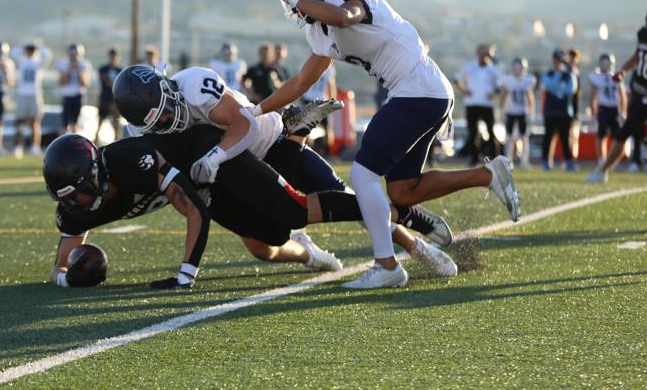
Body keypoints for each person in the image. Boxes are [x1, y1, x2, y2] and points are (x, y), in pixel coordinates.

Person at [257, 0, 519, 289]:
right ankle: (488, 174)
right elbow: (302, 81)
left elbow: (344, 16)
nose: (290, 3)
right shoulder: (318, 28)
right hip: (420, 91)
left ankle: (386, 265)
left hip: (417, 87)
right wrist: (256, 110)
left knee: (363, 174)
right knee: (403, 191)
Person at [112, 64, 455, 267]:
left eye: (166, 111)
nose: (168, 122)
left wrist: (214, 157)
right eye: (157, 123)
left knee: (346, 201)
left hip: (271, 144)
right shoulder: (140, 133)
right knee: (262, 247)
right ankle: (309, 255)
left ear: (168, 88)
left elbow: (244, 124)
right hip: (236, 173)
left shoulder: (194, 85)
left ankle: (417, 245)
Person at [45, 126, 457, 288]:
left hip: (213, 158)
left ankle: (408, 217)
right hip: (204, 189)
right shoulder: (76, 208)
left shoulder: (133, 160)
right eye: (70, 197)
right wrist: (69, 278)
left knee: (294, 210)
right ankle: (308, 253)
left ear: (97, 173)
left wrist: (185, 274)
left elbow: (194, 211)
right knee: (266, 242)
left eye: (80, 192)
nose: (79, 202)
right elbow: (59, 268)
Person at [587, 12, 647, 182]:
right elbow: (638, 56)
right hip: (638, 90)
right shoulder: (643, 34)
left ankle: (602, 171)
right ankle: (608, 168)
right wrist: (623, 70)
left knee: (624, 132)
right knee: (631, 131)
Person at [455, 44, 501, 166]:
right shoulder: (470, 67)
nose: (484, 56)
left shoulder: (493, 69)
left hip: (487, 105)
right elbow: (457, 79)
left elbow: (500, 86)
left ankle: (495, 158)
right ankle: (474, 158)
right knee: (472, 133)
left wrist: (493, 93)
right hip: (472, 104)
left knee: (491, 131)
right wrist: (464, 90)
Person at [11, 41, 52, 157]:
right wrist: (24, 46)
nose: (30, 51)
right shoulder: (21, 61)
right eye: (29, 49)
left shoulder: (38, 62)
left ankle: (35, 147)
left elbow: (47, 54)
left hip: (35, 94)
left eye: (32, 49)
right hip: (22, 93)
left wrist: (38, 46)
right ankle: (18, 146)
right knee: (20, 122)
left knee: (35, 122)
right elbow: (13, 53)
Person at [541, 49, 577, 172]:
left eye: (561, 61)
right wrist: (558, 83)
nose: (558, 63)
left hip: (564, 111)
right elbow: (549, 86)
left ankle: (569, 162)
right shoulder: (549, 74)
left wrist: (558, 88)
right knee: (548, 137)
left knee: (565, 138)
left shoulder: (569, 75)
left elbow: (571, 90)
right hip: (550, 111)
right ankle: (545, 162)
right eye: (557, 60)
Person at [588, 53, 625, 165]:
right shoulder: (596, 76)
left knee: (618, 136)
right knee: (601, 134)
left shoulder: (617, 76)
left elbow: (622, 94)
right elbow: (593, 95)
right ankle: (601, 159)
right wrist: (593, 109)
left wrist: (623, 110)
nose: (606, 65)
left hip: (615, 108)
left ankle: (613, 159)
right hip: (603, 107)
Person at [499, 57, 536, 169]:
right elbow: (504, 95)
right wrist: (503, 111)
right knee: (509, 137)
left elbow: (530, 97)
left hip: (523, 112)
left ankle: (524, 161)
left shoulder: (528, 80)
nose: (518, 70)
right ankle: (508, 161)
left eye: (520, 68)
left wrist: (531, 111)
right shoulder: (507, 80)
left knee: (524, 137)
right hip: (510, 111)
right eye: (516, 68)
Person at [302, 58, 338, 157]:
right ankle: (328, 153)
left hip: (308, 98)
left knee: (306, 128)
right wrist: (332, 101)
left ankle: (307, 151)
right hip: (322, 100)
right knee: (327, 128)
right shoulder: (329, 68)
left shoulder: (308, 64)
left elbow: (302, 82)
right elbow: (331, 85)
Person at [57, 43, 92, 135]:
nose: (73, 57)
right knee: (64, 124)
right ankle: (64, 141)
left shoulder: (84, 65)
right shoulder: (63, 64)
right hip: (67, 96)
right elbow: (61, 83)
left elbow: (85, 83)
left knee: (76, 124)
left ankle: (75, 140)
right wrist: (68, 70)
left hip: (78, 95)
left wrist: (78, 70)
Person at [96, 48, 123, 142]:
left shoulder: (120, 70)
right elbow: (108, 83)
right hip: (105, 99)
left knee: (116, 122)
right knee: (100, 121)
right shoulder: (103, 69)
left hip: (115, 100)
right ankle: (96, 141)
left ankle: (117, 141)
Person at [567, 48, 583, 159]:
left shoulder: (577, 72)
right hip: (565, 106)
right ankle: (567, 158)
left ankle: (573, 157)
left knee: (575, 133)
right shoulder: (565, 72)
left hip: (575, 106)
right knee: (567, 133)